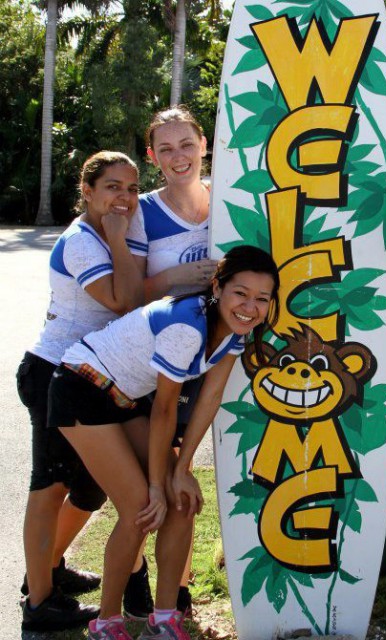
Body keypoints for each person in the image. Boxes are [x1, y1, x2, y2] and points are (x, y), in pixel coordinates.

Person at [48, 245, 280, 640]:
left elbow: (209, 399)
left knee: (182, 502)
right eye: (240, 293)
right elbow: (165, 411)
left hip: (123, 398)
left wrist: (183, 469)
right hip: (83, 387)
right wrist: (158, 482)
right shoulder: (187, 325)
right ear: (217, 288)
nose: (250, 307)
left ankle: (165, 619)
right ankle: (107, 622)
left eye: (262, 299)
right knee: (141, 506)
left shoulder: (236, 335)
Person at [17, 151, 144, 631]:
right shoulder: (83, 241)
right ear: (87, 191)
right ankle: (39, 601)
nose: (124, 198)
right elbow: (121, 299)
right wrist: (116, 236)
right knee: (49, 488)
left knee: (89, 490)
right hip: (52, 372)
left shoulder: (115, 230)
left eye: (132, 189)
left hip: (92, 376)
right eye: (112, 187)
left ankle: (51, 566)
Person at [124, 105, 218, 618]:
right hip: (157, 364)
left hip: (211, 361)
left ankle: (176, 589)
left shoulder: (231, 198)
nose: (178, 156)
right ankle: (141, 580)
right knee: (151, 479)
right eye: (166, 148)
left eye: (187, 144)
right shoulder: (142, 211)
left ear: (204, 144)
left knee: (186, 480)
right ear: (152, 156)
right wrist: (176, 281)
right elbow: (126, 292)